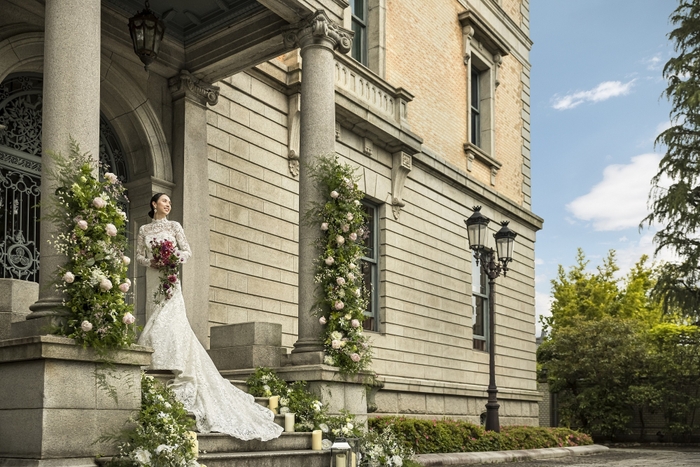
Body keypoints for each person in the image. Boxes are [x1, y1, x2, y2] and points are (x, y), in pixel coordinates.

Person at [136, 193, 283, 441]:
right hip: (154, 278)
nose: (168, 204)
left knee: (170, 316)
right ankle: (158, 353)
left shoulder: (174, 226)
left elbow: (188, 251)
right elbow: (139, 256)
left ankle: (171, 356)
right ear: (154, 204)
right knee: (156, 313)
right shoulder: (143, 229)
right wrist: (153, 262)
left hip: (171, 277)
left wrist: (171, 258)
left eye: (170, 201)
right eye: (164, 201)